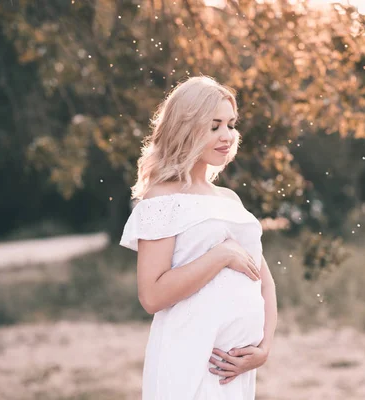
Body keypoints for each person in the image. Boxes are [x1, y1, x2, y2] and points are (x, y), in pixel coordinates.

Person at [119, 76, 278, 399]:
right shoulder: (161, 198)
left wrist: (264, 348)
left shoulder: (230, 199)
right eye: (214, 126)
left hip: (233, 369)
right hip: (188, 358)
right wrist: (220, 256)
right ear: (186, 128)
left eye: (231, 125)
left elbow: (265, 283)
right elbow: (151, 295)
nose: (227, 136)